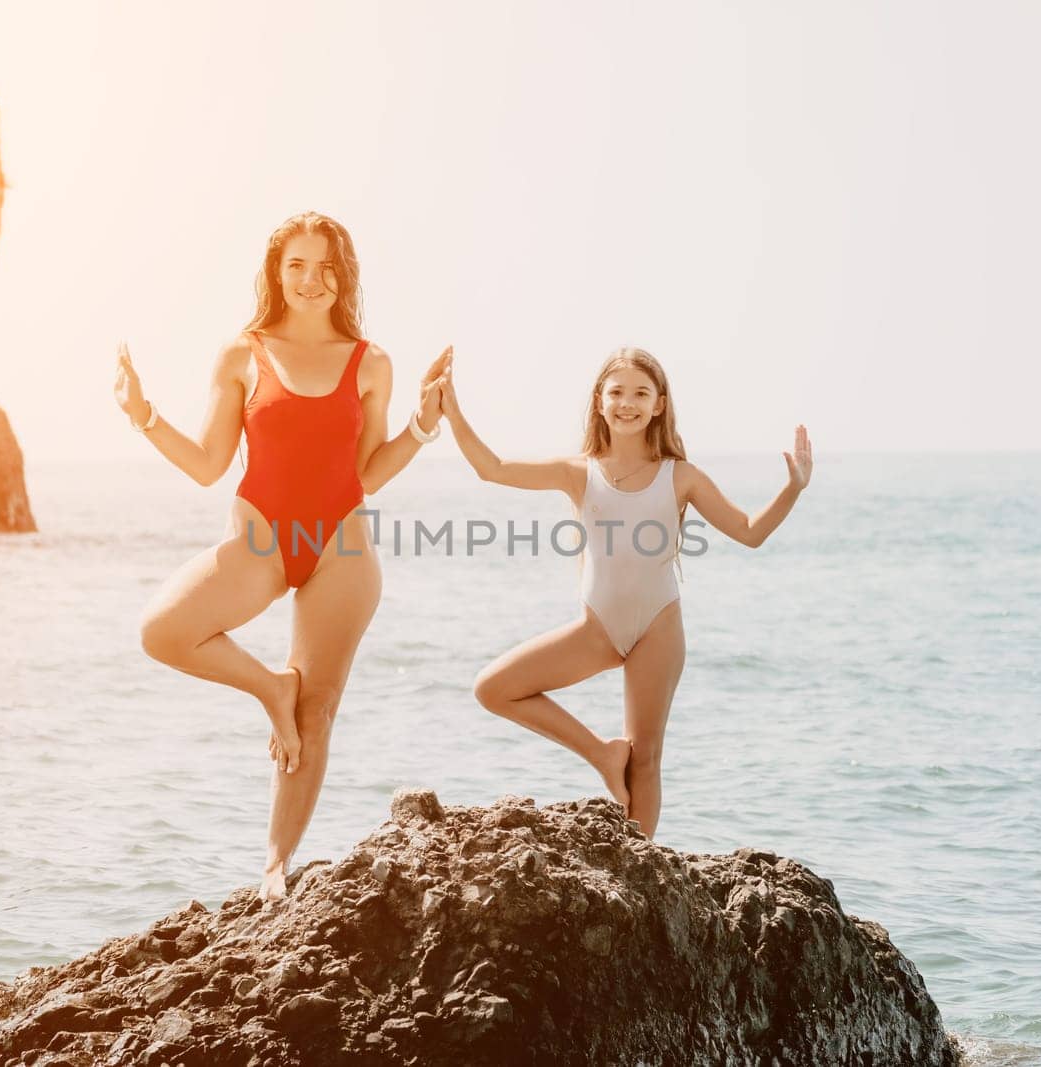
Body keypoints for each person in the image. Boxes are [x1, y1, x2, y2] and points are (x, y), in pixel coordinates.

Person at [113, 212, 451, 898]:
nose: (310, 280)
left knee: (318, 710)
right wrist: (143, 415)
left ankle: (275, 863)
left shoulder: (370, 362)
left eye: (325, 266)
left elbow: (366, 472)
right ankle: (272, 686)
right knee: (162, 630)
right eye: (296, 264)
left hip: (340, 548)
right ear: (276, 272)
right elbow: (210, 465)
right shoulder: (244, 354)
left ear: (342, 276)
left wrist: (423, 424)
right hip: (261, 540)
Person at [438, 346, 811, 838]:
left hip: (658, 628)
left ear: (659, 404)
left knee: (647, 758)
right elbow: (494, 467)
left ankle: (642, 865)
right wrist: (452, 410)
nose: (627, 403)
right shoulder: (578, 472)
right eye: (617, 392)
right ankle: (600, 752)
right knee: (493, 688)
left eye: (641, 393)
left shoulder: (681, 476)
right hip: (599, 628)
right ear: (599, 402)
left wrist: (793, 488)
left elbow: (749, 531)